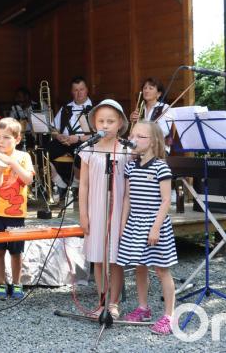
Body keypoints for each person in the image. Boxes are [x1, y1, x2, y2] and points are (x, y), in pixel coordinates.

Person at [116, 120, 178, 335]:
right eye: (132, 135)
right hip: (134, 223)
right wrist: (123, 224)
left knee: (161, 269)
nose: (133, 140)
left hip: (154, 224)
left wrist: (155, 228)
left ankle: (169, 315)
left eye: (140, 137)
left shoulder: (161, 167)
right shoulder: (130, 166)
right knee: (139, 266)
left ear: (153, 142)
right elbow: (127, 198)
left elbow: (166, 200)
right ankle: (143, 308)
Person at [77, 99, 130, 320]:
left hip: (118, 210)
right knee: (98, 257)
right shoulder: (89, 149)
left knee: (115, 258)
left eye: (111, 121)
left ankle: (114, 303)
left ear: (120, 123)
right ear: (94, 123)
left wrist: (125, 219)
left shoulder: (126, 150)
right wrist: (83, 214)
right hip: (95, 209)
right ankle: (101, 300)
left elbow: (128, 189)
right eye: (101, 121)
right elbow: (84, 184)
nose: (105, 125)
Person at [0, 118, 34, 300]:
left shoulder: (23, 157)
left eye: (6, 137)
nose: (1, 141)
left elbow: (28, 179)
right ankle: (0, 284)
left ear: (17, 139)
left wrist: (12, 163)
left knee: (16, 251)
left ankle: (17, 283)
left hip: (16, 213)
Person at [48, 76, 93, 195]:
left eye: (81, 89)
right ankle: (60, 183)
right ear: (72, 92)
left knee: (83, 153)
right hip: (64, 141)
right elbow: (53, 128)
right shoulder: (65, 108)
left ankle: (75, 185)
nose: (79, 93)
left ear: (87, 90)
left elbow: (97, 136)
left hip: (82, 142)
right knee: (42, 154)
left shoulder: (94, 109)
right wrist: (58, 136)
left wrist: (77, 139)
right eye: (76, 90)